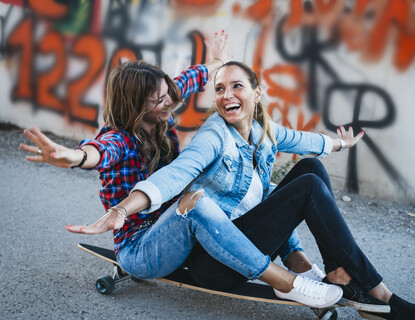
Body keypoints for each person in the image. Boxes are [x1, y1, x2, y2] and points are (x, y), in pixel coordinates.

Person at [66, 61, 415, 320]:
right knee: (203, 199)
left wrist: (341, 145)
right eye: (221, 88)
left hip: (208, 235)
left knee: (308, 169)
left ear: (257, 94)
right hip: (173, 247)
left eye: (236, 86)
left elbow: (303, 140)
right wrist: (86, 168)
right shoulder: (204, 136)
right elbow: (170, 173)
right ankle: (354, 290)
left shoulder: (257, 129)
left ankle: (336, 273)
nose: (226, 94)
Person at [20, 35, 344, 310]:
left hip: (172, 231)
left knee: (265, 186)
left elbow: (190, 79)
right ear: (136, 106)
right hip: (140, 246)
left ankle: (297, 261)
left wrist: (216, 64)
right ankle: (286, 283)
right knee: (195, 203)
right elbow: (98, 152)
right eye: (158, 100)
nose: (170, 102)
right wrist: (75, 157)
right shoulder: (119, 138)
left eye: (168, 93)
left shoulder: (164, 105)